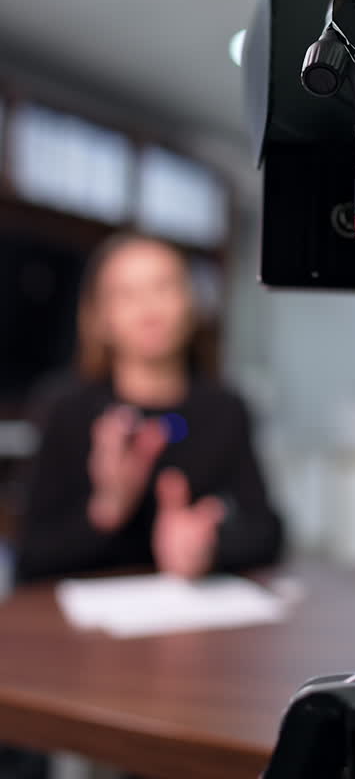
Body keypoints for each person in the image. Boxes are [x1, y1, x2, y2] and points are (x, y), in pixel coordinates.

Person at [16, 232, 283, 582]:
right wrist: (107, 510)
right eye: (127, 294)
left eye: (164, 287)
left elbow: (268, 535)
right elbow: (31, 558)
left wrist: (209, 545)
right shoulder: (64, 409)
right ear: (100, 317)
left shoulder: (226, 409)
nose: (149, 307)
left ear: (191, 304)